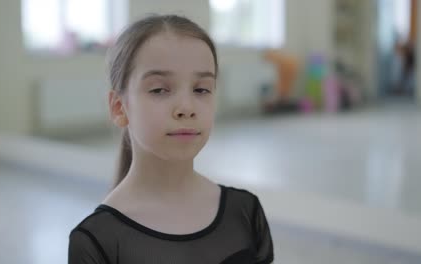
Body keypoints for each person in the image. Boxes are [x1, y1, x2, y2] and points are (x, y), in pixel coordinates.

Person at [68, 14, 274, 264]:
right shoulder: (97, 240)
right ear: (119, 107)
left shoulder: (245, 211)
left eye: (201, 89)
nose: (186, 108)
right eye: (159, 90)